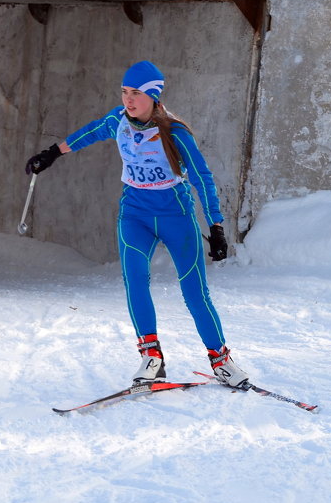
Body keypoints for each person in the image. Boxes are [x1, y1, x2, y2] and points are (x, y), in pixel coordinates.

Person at [24, 60, 249, 388]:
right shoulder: (118, 120)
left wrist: (216, 226)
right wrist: (51, 153)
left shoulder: (174, 132)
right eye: (125, 92)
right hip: (134, 215)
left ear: (154, 96)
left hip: (177, 217)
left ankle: (221, 360)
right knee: (135, 281)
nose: (128, 99)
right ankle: (152, 357)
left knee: (195, 292)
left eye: (136, 94)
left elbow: (202, 178)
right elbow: (88, 133)